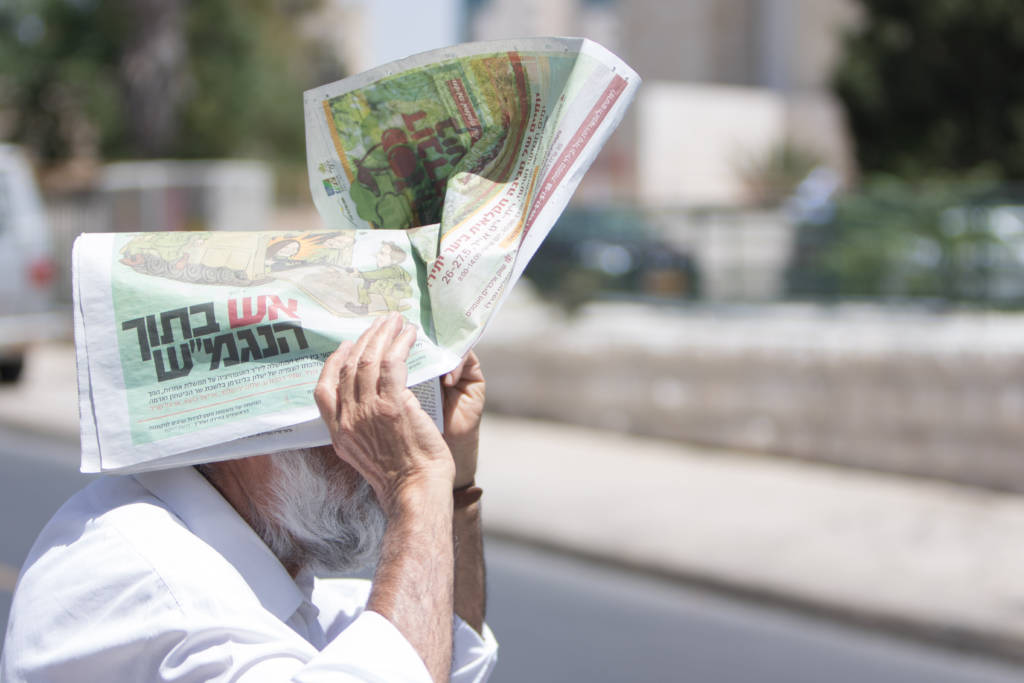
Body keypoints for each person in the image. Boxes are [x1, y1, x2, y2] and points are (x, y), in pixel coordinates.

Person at [1, 314, 497, 682]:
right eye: (356, 414)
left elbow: (443, 651)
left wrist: (452, 486)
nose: (383, 445)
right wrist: (415, 484)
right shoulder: (151, 579)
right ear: (257, 429)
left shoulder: (255, 565)